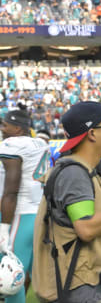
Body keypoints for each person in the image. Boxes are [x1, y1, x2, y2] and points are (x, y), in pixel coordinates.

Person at [32, 101, 101, 303]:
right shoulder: (74, 173)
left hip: (80, 276)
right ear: (92, 133)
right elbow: (86, 228)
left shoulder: (82, 169)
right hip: (77, 283)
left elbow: (95, 221)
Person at [0, 110, 50, 302]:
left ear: (18, 128)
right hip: (38, 212)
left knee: (11, 276)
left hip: (20, 215)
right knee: (38, 276)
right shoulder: (40, 143)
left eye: (5, 125)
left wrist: (4, 228)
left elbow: (11, 190)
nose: (3, 130)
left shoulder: (12, 144)